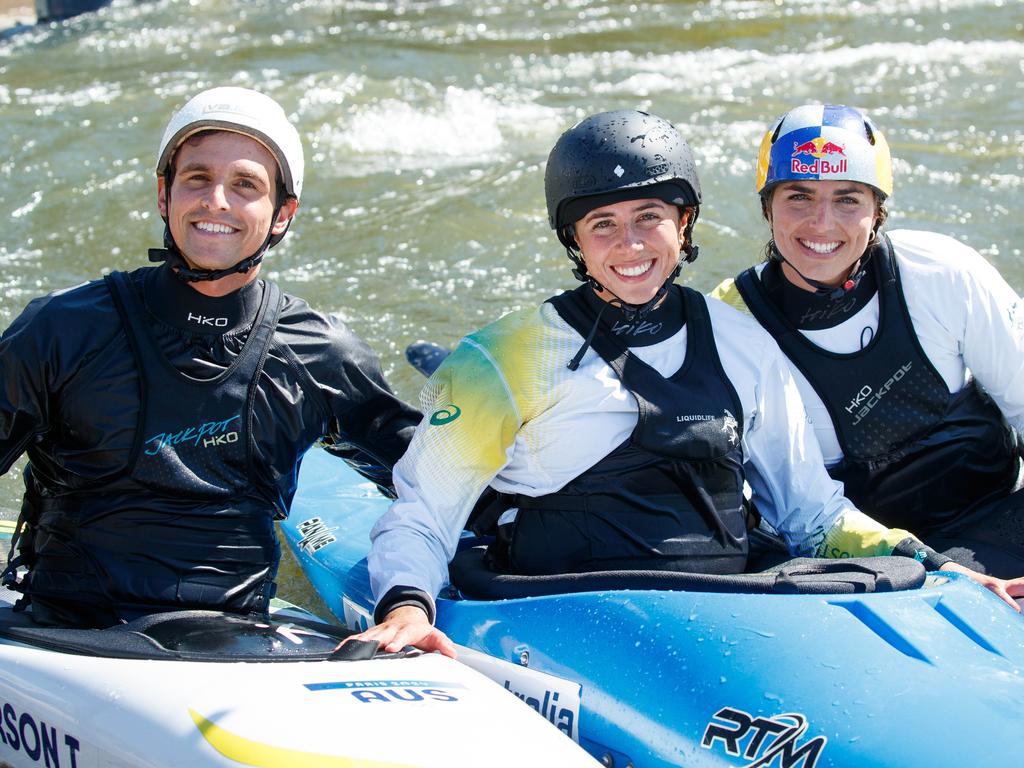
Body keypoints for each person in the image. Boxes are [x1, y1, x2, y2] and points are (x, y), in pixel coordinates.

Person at [356, 109, 1022, 658]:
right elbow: (421, 516)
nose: (630, 244)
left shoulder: (742, 343)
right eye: (603, 225)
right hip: (563, 618)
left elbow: (812, 515)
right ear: (574, 241)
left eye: (649, 216)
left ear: (685, 224)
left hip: (723, 622)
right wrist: (407, 605)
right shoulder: (500, 358)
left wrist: (931, 568)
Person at [0, 86, 419, 628]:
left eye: (245, 184)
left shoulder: (319, 355)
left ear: (282, 213)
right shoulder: (63, 329)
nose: (215, 200)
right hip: (64, 634)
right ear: (164, 194)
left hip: (233, 638)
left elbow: (433, 484)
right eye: (197, 177)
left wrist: (409, 603)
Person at [712, 103, 1024, 580]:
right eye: (798, 196)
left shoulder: (942, 272)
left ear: (878, 210)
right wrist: (934, 567)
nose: (822, 223)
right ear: (766, 205)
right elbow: (804, 518)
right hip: (872, 564)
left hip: (999, 515)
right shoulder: (732, 324)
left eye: (847, 199)